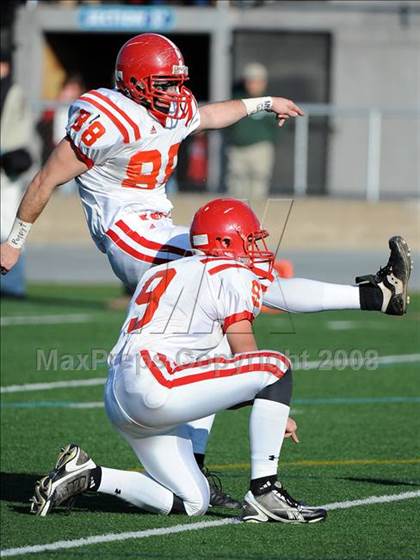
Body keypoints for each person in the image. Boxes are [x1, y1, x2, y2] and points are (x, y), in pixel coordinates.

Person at [0, 33, 412, 505]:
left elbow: (212, 114)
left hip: (158, 224)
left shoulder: (170, 107)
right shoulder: (106, 119)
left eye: (177, 83)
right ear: (133, 83)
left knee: (233, 295)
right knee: (238, 275)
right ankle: (372, 297)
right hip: (128, 235)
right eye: (164, 84)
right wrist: (14, 243)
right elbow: (47, 178)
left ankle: (376, 296)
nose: (175, 93)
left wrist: (265, 101)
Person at [30, 198, 327, 523]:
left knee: (192, 501)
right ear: (225, 242)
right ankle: (265, 492)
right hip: (153, 382)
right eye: (249, 241)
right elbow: (247, 354)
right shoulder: (226, 271)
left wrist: (267, 407)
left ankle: (89, 475)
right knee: (274, 367)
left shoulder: (160, 271)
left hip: (123, 393)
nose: (253, 250)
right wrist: (269, 401)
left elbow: (217, 385)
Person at [0, 47, 33, 299]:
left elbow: (18, 132)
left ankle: (12, 285)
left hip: (5, 171)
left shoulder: (12, 91)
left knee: (8, 228)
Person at [226, 62, 278, 199]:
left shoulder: (272, 101)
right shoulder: (237, 99)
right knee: (236, 186)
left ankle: (255, 218)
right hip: (237, 149)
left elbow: (278, 126)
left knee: (259, 185)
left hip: (260, 148)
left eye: (257, 81)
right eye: (250, 81)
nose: (253, 84)